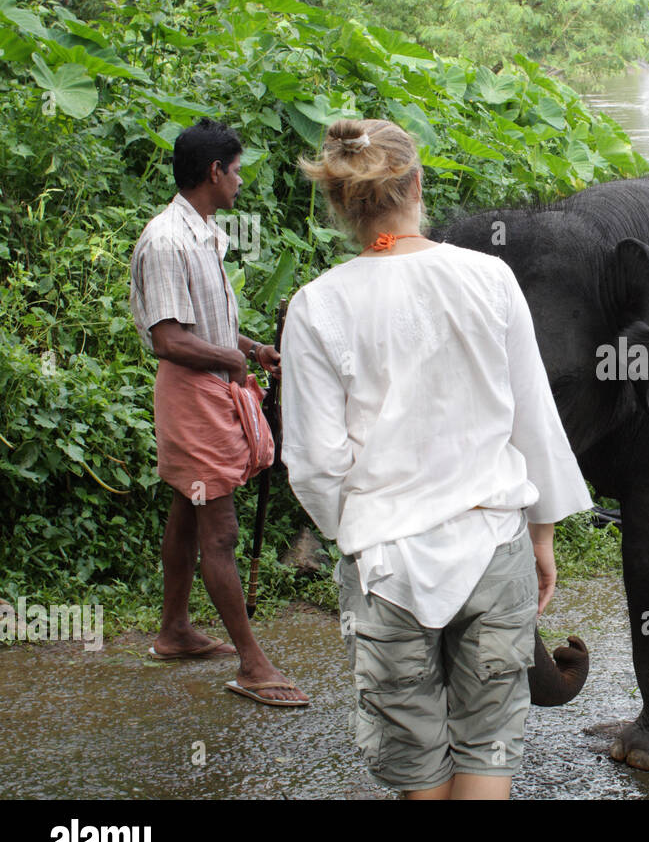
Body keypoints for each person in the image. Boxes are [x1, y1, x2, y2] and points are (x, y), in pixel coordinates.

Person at [282, 118, 592, 800]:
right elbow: (532, 421)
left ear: (339, 204)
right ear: (418, 184)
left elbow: (311, 461)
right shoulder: (489, 278)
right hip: (492, 542)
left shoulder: (317, 305)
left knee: (417, 764)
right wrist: (542, 537)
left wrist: (363, 526)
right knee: (487, 749)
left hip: (387, 564)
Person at [128, 117, 307, 705]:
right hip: (192, 396)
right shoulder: (166, 240)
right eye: (236, 170)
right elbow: (169, 340)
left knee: (189, 507)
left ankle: (175, 631)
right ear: (214, 171)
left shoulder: (203, 232)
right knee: (221, 532)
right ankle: (255, 665)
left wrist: (252, 349)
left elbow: (208, 325)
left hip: (208, 389)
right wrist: (232, 361)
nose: (239, 181)